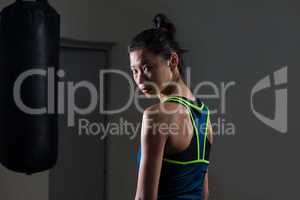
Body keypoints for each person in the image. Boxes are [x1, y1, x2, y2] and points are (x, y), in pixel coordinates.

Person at [128, 13, 213, 200]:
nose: (139, 80)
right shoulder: (204, 114)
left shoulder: (156, 116)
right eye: (134, 71)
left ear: (173, 61)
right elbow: (204, 194)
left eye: (146, 68)